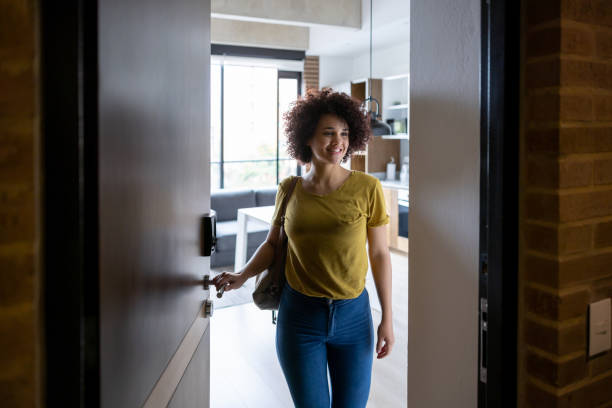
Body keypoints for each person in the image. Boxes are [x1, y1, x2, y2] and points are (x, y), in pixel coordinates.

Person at [212, 88, 394, 408]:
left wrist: (388, 318)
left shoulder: (368, 188)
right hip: (299, 318)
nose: (338, 141)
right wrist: (242, 275)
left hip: (354, 317)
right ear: (307, 137)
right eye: (328, 133)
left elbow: (379, 254)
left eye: (344, 133)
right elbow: (272, 245)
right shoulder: (290, 188)